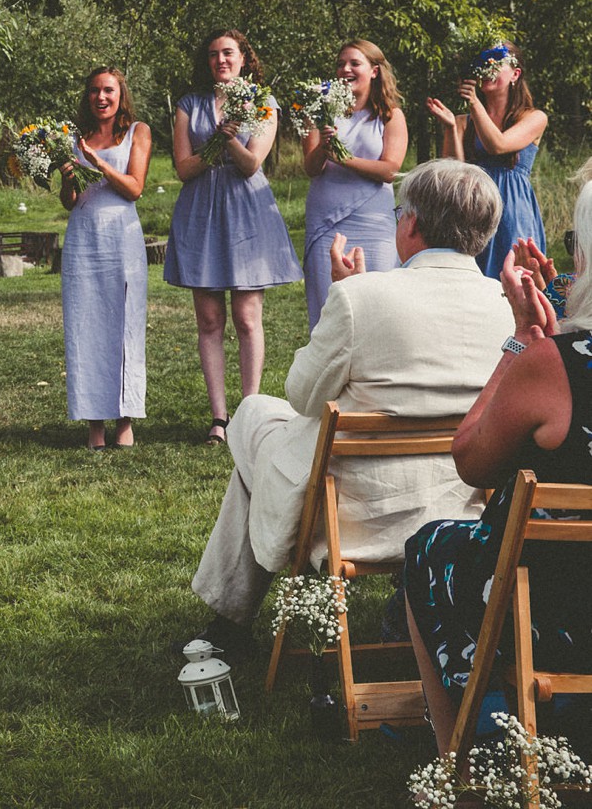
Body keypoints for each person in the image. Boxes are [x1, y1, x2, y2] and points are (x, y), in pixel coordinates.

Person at [180, 159, 511, 657]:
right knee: (269, 430)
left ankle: (228, 619)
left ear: (412, 223)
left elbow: (303, 394)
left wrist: (346, 294)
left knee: (253, 413)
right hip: (461, 506)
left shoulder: (363, 297)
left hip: (350, 514)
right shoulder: (507, 304)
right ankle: (232, 618)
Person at [404, 180, 592, 754]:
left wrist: (519, 341)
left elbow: (470, 460)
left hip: (563, 607)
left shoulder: (553, 365)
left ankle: (455, 763)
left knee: (430, 547)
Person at [163, 29, 302, 445]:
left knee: (246, 317)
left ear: (244, 58)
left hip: (246, 211)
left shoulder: (263, 103)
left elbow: (251, 164)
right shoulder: (189, 104)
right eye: (213, 55)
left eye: (228, 53)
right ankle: (219, 418)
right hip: (201, 211)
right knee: (209, 320)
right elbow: (184, 169)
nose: (220, 60)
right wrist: (213, 145)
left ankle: (250, 410)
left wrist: (228, 140)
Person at [59, 67, 151, 450]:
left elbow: (134, 188)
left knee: (125, 323)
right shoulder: (73, 137)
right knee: (86, 326)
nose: (101, 97)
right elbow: (70, 202)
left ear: (120, 94)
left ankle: (125, 417)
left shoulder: (137, 132)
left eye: (108, 90)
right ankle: (94, 422)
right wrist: (68, 177)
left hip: (122, 238)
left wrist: (99, 164)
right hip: (84, 237)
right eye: (95, 90)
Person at [300, 39, 406, 329]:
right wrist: (323, 146)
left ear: (374, 71)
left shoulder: (390, 115)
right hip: (326, 224)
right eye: (340, 64)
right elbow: (311, 167)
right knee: (329, 309)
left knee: (379, 308)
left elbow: (389, 170)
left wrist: (343, 158)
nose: (344, 69)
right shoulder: (320, 111)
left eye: (354, 63)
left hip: (374, 224)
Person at [427, 42, 547, 278]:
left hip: (511, 207)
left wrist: (474, 103)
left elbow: (498, 145)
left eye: (496, 61)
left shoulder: (534, 117)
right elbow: (454, 172)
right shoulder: (464, 121)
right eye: (483, 62)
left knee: (515, 278)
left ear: (515, 74)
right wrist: (451, 128)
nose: (487, 68)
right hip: (473, 207)